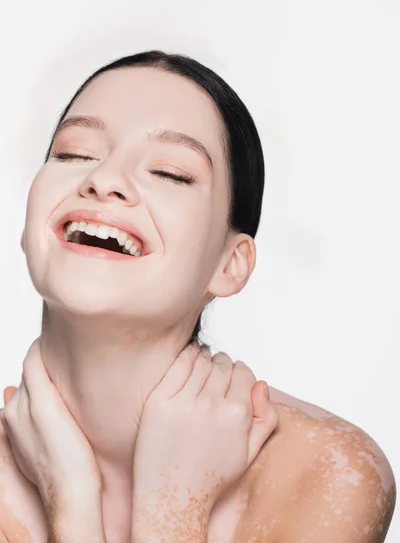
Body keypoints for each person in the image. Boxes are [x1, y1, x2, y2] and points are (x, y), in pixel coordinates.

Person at [0, 51, 396, 543]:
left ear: (230, 264)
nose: (103, 180)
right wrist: (72, 498)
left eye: (170, 172)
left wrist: (170, 507)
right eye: (74, 153)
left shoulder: (324, 469)